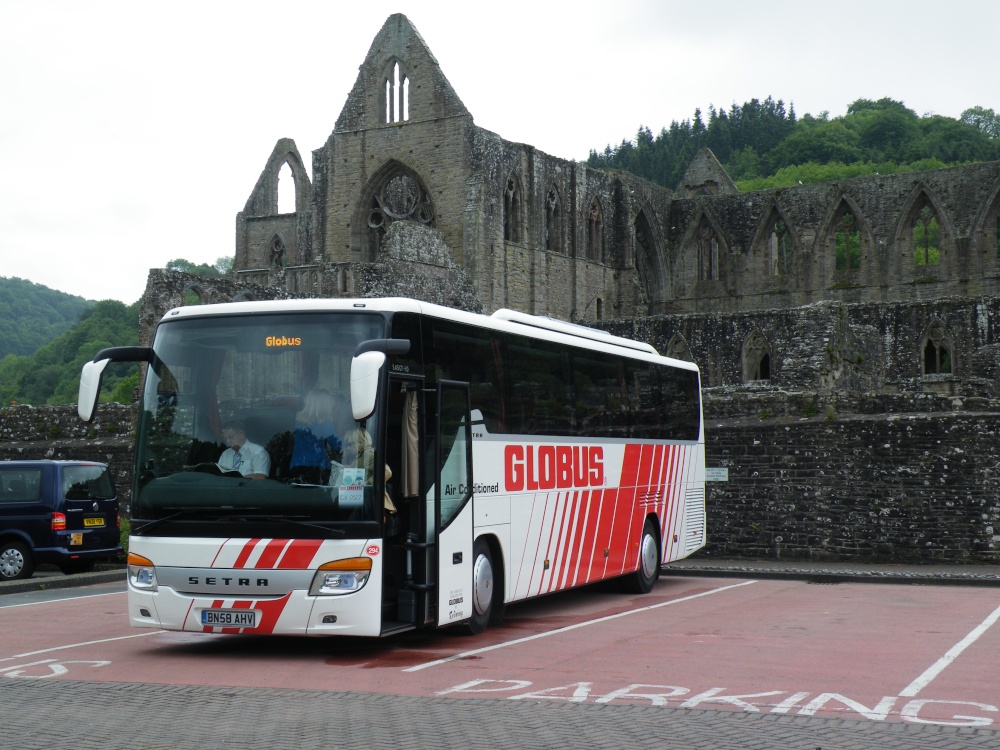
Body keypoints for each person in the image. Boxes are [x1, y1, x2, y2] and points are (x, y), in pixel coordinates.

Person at [289, 388, 343, 483]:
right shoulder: (325, 423)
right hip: (317, 467)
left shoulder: (298, 422)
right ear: (325, 405)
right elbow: (338, 445)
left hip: (297, 465)